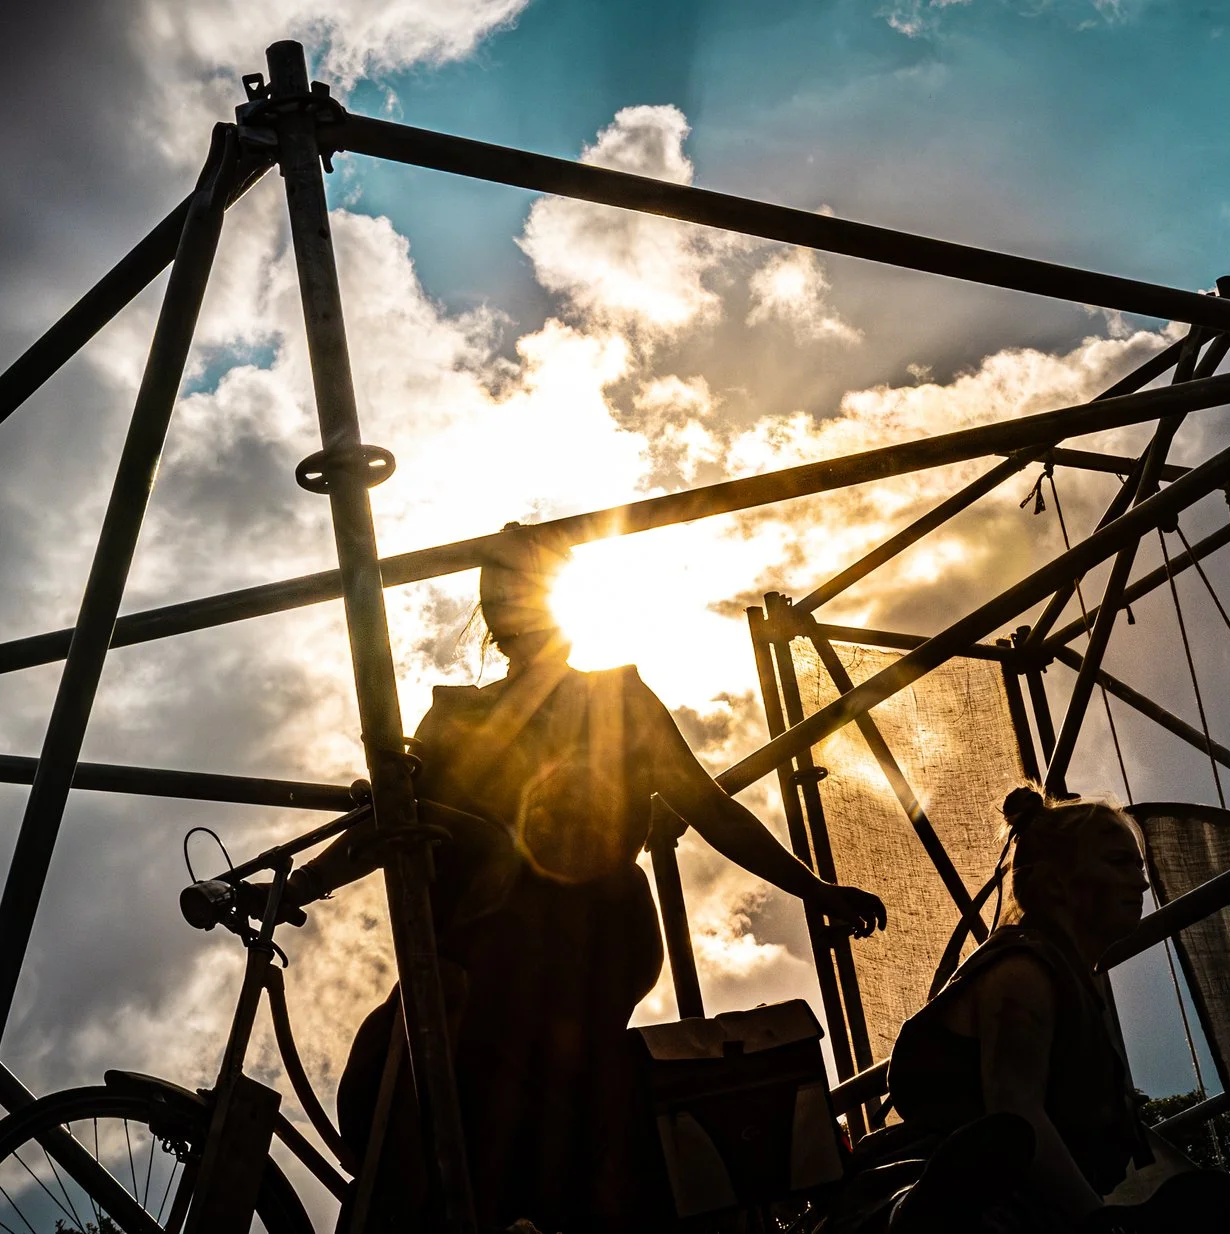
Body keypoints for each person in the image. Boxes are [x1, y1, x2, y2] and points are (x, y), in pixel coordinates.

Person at [285, 523, 887, 1233]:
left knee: (495, 1071)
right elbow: (391, 823)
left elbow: (710, 808)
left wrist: (814, 890)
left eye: (524, 588)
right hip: (478, 949)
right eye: (500, 591)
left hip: (588, 937)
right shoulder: (455, 718)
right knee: (400, 1062)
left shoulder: (617, 700)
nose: (512, 604)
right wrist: (295, 886)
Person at [824, 786, 1230, 1234]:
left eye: (1139, 867)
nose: (1142, 882)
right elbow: (1016, 1112)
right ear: (1056, 882)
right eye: (1120, 862)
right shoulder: (1024, 973)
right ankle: (914, 1218)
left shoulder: (1061, 977)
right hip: (941, 1196)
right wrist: (1100, 1224)